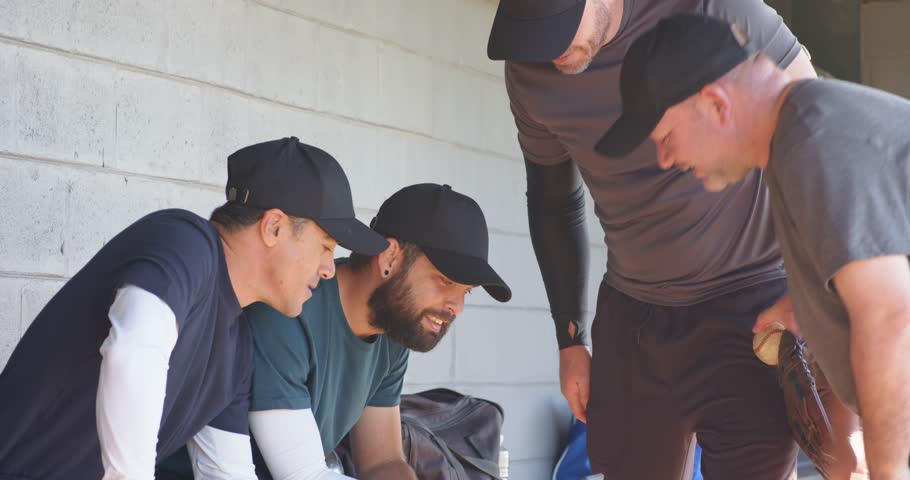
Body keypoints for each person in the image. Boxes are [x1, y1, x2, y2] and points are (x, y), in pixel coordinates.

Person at [486, 0, 820, 477]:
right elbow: (552, 201)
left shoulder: (717, 9)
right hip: (634, 312)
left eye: (558, 26)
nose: (551, 50)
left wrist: (807, 288)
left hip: (751, 299)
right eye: (532, 32)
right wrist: (570, 337)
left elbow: (818, 132)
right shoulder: (529, 67)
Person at [598, 13, 907, 477]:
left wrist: (888, 472)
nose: (666, 160)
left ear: (716, 105)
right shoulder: (800, 138)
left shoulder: (814, 141)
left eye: (666, 137)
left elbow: (889, 319)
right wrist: (804, 303)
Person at [0, 136, 388, 480]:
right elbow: (132, 350)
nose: (327, 268)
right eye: (324, 246)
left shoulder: (235, 348)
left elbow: (226, 472)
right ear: (273, 227)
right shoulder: (186, 243)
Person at [160, 183, 511, 480]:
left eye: (465, 292)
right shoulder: (289, 309)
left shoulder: (394, 330)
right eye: (444, 281)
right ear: (390, 259)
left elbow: (382, 461)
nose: (457, 306)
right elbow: (303, 475)